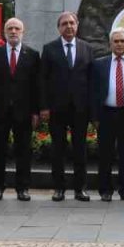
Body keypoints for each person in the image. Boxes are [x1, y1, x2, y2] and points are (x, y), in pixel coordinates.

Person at [0, 18, 41, 201]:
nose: (13, 31)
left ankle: (22, 188)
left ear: (23, 32)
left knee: (23, 151)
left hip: (24, 111)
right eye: (10, 28)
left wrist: (35, 111)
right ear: (4, 32)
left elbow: (37, 86)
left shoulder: (32, 55)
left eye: (17, 28)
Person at [40, 11, 93, 202]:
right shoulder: (49, 49)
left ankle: (80, 189)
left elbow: (91, 80)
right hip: (57, 108)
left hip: (80, 108)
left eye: (72, 23)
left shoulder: (87, 48)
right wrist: (44, 107)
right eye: (64, 23)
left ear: (77, 25)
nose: (69, 26)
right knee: (58, 149)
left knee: (80, 149)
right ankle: (59, 188)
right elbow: (43, 81)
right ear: (59, 28)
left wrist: (91, 109)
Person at [91, 30, 124, 201]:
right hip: (106, 114)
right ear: (110, 44)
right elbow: (93, 92)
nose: (119, 44)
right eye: (116, 41)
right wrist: (95, 117)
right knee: (105, 154)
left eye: (122, 41)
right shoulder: (99, 64)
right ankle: (105, 190)